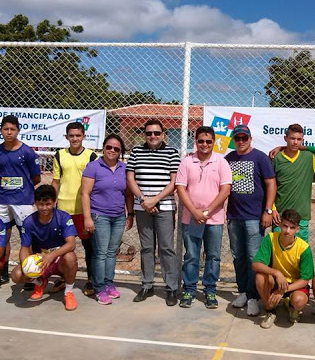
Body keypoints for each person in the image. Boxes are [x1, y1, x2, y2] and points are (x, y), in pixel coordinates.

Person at [176, 126, 232, 309]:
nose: (204, 144)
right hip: (190, 217)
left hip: (214, 220)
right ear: (196, 141)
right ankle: (189, 290)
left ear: (213, 142)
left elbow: (225, 190)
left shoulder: (221, 162)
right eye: (201, 141)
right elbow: (181, 188)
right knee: (191, 256)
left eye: (208, 141)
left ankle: (209, 291)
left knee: (213, 256)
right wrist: (194, 212)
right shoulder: (186, 162)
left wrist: (206, 212)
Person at [126, 119, 181, 306]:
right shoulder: (135, 152)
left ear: (163, 134)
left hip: (164, 207)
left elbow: (174, 182)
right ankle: (147, 284)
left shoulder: (172, 153)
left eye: (157, 133)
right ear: (144, 134)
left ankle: (171, 287)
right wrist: (143, 200)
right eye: (149, 133)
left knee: (166, 248)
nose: (153, 136)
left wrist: (155, 199)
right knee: (147, 247)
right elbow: (130, 179)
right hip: (142, 208)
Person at [225, 124, 276, 316]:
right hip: (234, 216)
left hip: (254, 217)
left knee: (254, 258)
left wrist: (268, 210)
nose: (240, 142)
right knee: (238, 256)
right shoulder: (228, 158)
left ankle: (254, 296)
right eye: (237, 138)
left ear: (250, 139)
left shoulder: (260, 157)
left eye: (244, 138)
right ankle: (243, 292)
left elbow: (271, 184)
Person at [81, 134, 134, 305]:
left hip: (118, 216)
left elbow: (128, 194)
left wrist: (130, 214)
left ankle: (109, 283)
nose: (112, 150)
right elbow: (85, 194)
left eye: (116, 149)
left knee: (112, 253)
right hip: (99, 216)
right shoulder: (93, 167)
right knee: (101, 253)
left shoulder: (123, 168)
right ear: (103, 147)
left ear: (120, 152)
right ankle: (98, 288)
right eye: (109, 147)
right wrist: (87, 218)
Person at [11, 185, 79, 311]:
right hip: (40, 261)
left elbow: (71, 244)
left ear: (54, 202)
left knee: (70, 257)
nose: (44, 208)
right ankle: (40, 282)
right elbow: (25, 248)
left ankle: (68, 292)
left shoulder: (64, 217)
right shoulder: (29, 222)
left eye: (48, 204)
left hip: (59, 260)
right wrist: (27, 266)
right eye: (41, 204)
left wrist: (51, 256)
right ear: (35, 203)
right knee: (16, 274)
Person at [0, 115, 41, 283]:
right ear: (1, 131)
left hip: (23, 201)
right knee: (2, 237)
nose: (9, 132)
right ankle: (2, 272)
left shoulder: (27, 151)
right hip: (2, 200)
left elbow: (36, 178)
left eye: (12, 129)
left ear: (18, 130)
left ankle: (29, 273)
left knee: (27, 237)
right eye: (6, 129)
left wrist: (23, 189)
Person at [51, 122, 98, 296]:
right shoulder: (59, 155)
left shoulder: (91, 156)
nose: (75, 138)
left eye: (78, 135)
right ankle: (64, 277)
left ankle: (91, 280)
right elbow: (56, 181)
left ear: (84, 136)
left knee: (89, 247)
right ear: (67, 137)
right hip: (63, 209)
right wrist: (50, 203)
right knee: (64, 248)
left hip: (83, 210)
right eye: (71, 136)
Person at [252, 209, 313, 328]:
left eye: (292, 227)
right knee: (260, 277)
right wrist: (276, 273)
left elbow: (305, 279)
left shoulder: (304, 248)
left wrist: (283, 290)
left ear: (297, 229)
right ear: (280, 225)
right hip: (277, 281)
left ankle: (291, 306)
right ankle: (270, 310)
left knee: (299, 301)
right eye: (285, 226)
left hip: (294, 285)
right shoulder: (271, 238)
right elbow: (256, 264)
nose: (287, 231)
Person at [271, 123, 315, 242]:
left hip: (302, 218)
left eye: (299, 139)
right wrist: (272, 208)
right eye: (292, 138)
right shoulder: (276, 158)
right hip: (280, 217)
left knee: (300, 256)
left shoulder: (310, 158)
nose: (295, 142)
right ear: (286, 138)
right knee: (278, 255)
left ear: (303, 140)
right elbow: (269, 186)